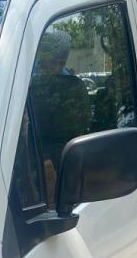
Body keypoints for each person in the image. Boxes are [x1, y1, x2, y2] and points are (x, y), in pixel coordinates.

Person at [30, 29, 92, 204]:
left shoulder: (71, 86)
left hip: (63, 154)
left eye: (61, 61)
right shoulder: (24, 81)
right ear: (40, 57)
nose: (57, 66)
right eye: (53, 61)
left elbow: (83, 126)